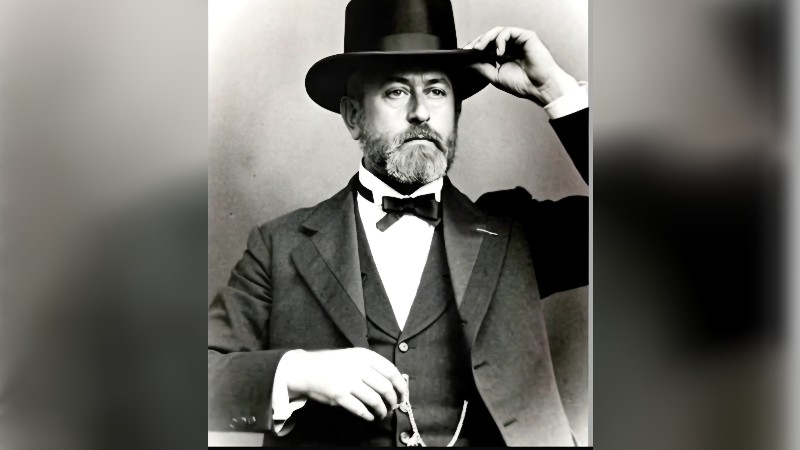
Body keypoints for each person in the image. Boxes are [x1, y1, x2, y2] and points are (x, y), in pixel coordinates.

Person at [208, 0, 588, 446]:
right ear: (353, 117)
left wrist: (556, 90)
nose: (421, 112)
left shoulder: (515, 232)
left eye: (437, 91)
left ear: (456, 114)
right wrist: (299, 372)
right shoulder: (279, 246)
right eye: (395, 91)